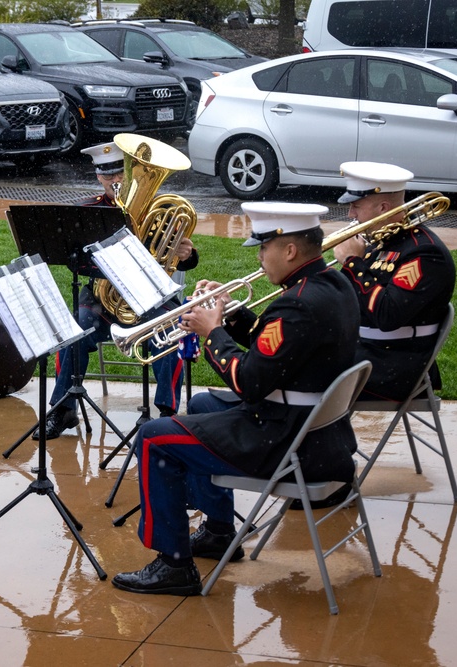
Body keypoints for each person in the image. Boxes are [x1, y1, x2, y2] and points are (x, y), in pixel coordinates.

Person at [112, 202, 361, 596]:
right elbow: (279, 349)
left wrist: (212, 333)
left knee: (154, 437)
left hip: (284, 440)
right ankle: (218, 530)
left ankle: (174, 566)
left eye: (263, 249)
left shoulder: (298, 303)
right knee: (203, 406)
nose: (260, 258)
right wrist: (228, 316)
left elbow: (248, 382)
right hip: (317, 431)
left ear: (290, 250)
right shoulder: (332, 284)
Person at [35, 141, 199, 439]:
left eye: (119, 173)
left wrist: (186, 254)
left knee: (172, 332)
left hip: (149, 299)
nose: (115, 181)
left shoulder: (157, 211)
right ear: (99, 177)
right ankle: (63, 409)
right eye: (107, 175)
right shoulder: (89, 212)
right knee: (75, 329)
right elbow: (74, 262)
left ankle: (166, 414)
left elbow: (184, 258)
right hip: (102, 301)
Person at [332, 161, 456, 401]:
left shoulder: (424, 253)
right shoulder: (381, 242)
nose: (351, 215)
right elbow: (343, 297)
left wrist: (352, 263)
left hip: (391, 369)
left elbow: (387, 315)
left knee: (293, 375)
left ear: (383, 208)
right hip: (365, 354)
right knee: (287, 357)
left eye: (356, 206)